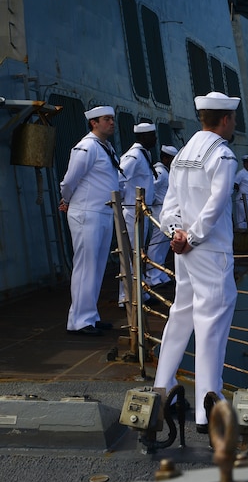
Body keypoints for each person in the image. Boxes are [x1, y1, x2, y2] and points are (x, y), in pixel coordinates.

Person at [153, 91, 240, 433]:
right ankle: (208, 408)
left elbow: (168, 207)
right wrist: (193, 236)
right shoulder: (223, 156)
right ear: (225, 119)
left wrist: (176, 233)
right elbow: (216, 205)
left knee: (181, 314)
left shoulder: (183, 155)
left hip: (184, 252)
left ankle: (163, 389)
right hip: (209, 250)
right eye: (233, 119)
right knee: (211, 324)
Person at [59, 105, 120, 336]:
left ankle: (90, 316)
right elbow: (69, 180)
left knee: (96, 267)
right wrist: (66, 200)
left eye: (112, 119)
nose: (111, 123)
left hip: (103, 213)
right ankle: (79, 321)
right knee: (86, 267)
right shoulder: (86, 147)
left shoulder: (106, 147)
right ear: (94, 123)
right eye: (107, 119)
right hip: (87, 213)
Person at [118, 122, 157, 306]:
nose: (155, 139)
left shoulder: (144, 154)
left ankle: (139, 292)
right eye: (152, 135)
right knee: (131, 254)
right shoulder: (134, 156)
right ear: (143, 137)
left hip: (142, 211)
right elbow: (118, 177)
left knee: (138, 253)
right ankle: (126, 296)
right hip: (133, 211)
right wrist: (125, 201)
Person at [145, 145, 178, 287]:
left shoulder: (166, 172)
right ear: (165, 158)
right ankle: (152, 275)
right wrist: (151, 203)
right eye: (171, 159)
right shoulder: (160, 172)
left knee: (164, 244)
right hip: (159, 210)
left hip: (165, 211)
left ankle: (160, 272)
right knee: (156, 244)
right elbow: (150, 188)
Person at [233, 155, 248, 229]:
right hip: (242, 199)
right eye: (246, 162)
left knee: (246, 217)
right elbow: (235, 183)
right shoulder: (241, 173)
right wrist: (239, 189)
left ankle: (245, 232)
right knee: (242, 218)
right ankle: (241, 232)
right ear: (243, 163)